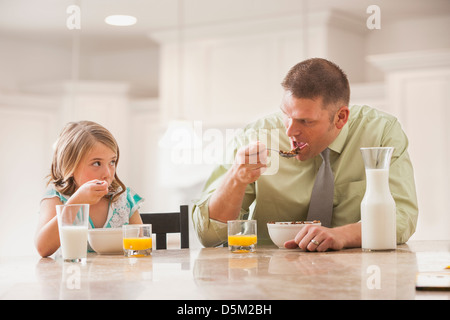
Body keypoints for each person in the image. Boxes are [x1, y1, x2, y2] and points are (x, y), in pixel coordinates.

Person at [192, 58, 418, 251]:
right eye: (286, 115)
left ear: (341, 117)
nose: (290, 130)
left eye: (305, 121)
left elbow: (403, 217)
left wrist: (343, 235)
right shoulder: (257, 136)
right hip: (269, 280)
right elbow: (210, 237)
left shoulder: (381, 133)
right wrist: (236, 178)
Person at [35, 121, 144, 257]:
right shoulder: (56, 198)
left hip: (117, 276)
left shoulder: (123, 198)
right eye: (97, 163)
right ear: (71, 166)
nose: (107, 173)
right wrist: (76, 201)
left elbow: (141, 248)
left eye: (112, 162)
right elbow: (43, 249)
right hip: (72, 276)